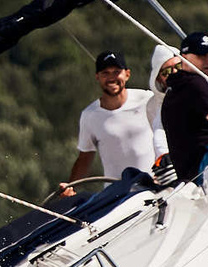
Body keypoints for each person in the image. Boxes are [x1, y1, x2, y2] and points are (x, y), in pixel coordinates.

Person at [58, 50, 165, 197]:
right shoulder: (90, 115)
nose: (111, 78)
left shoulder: (147, 99)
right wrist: (71, 187)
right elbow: (84, 157)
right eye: (105, 73)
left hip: (154, 187)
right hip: (115, 195)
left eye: (116, 72)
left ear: (127, 74)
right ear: (97, 77)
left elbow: (167, 133)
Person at [156, 31, 208, 183]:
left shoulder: (175, 86)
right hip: (204, 170)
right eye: (202, 56)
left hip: (187, 173)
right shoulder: (195, 85)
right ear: (184, 57)